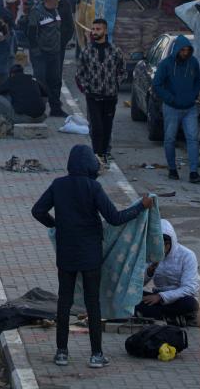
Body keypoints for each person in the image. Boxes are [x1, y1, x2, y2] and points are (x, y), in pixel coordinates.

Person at [32, 145, 154, 369]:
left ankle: (61, 353)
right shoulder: (93, 187)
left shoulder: (58, 185)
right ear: (89, 164)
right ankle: (96, 354)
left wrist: (57, 225)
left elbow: (37, 211)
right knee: (92, 304)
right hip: (90, 255)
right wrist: (140, 206)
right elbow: (116, 218)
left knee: (64, 302)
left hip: (66, 253)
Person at [152, 35, 200, 184]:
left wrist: (194, 95)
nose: (185, 53)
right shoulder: (166, 64)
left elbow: (198, 80)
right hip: (171, 108)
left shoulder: (193, 63)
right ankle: (172, 169)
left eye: (187, 50)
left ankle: (194, 172)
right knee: (170, 139)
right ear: (177, 49)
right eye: (182, 50)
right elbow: (156, 84)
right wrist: (170, 98)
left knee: (193, 139)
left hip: (190, 108)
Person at [75, 19, 127, 163]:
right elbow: (80, 73)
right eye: (93, 29)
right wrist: (87, 88)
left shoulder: (115, 51)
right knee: (96, 128)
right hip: (93, 97)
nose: (95, 32)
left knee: (106, 128)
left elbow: (122, 70)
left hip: (110, 97)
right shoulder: (86, 51)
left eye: (98, 29)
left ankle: (103, 155)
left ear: (105, 31)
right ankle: (96, 156)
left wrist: (116, 84)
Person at [134, 219, 200, 323]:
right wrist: (150, 270)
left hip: (179, 297)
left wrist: (161, 297)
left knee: (190, 304)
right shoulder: (151, 254)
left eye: (162, 245)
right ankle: (172, 318)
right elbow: (138, 284)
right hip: (158, 296)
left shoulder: (187, 255)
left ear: (169, 244)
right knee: (133, 296)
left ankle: (155, 315)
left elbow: (189, 288)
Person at [27, 0, 66, 117]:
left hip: (54, 53)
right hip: (41, 54)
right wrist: (36, 52)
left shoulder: (56, 11)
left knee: (55, 81)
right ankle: (38, 109)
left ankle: (56, 109)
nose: (59, 0)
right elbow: (31, 34)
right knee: (40, 82)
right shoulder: (36, 12)